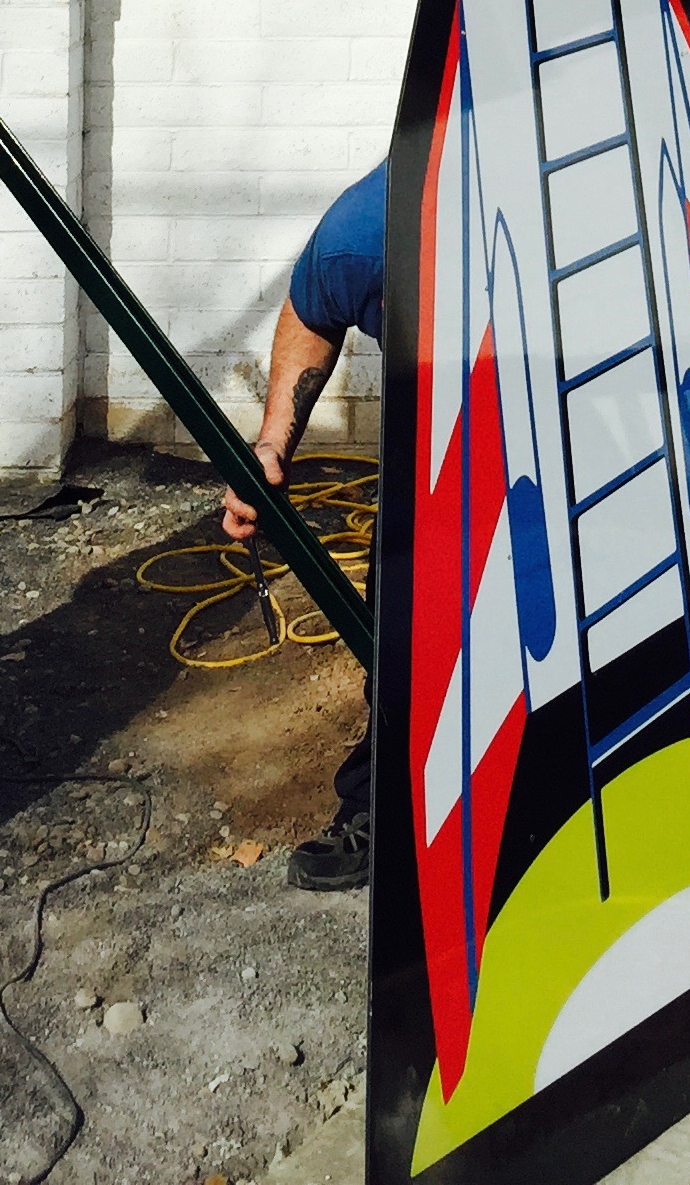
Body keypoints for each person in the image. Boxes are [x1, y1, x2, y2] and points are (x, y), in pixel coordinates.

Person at [222, 159, 385, 891]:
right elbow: (313, 310)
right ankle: (386, 802)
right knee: (405, 636)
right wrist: (272, 445)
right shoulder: (371, 226)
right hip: (439, 459)